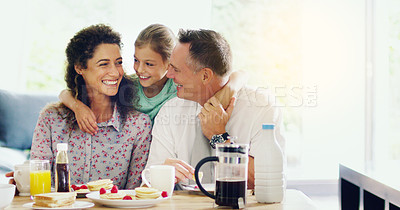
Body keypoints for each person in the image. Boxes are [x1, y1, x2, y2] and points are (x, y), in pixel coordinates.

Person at [7, 24, 152, 189]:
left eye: (118, 63)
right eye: (104, 64)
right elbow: (39, 183)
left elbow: (135, 192)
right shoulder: (51, 119)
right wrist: (24, 183)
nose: (115, 72)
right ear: (80, 68)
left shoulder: (138, 126)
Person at [145, 29, 285, 189]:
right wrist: (163, 174)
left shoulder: (261, 107)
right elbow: (147, 185)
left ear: (205, 75)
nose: (168, 74)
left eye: (176, 69)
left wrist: (219, 137)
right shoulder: (170, 111)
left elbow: (267, 183)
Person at [59, 24, 246, 135]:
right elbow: (65, 93)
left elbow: (238, 75)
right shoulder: (128, 85)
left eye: (149, 64)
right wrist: (78, 107)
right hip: (136, 154)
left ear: (169, 64)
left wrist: (228, 91)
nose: (140, 69)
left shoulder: (178, 87)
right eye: (135, 60)